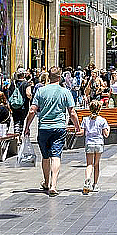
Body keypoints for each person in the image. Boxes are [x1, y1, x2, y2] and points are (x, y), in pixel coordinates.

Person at [23, 66, 79, 196]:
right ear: (60, 78)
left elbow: (32, 111)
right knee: (56, 155)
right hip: (59, 127)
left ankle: (46, 182)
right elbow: (72, 112)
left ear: (49, 77)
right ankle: (53, 185)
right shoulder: (65, 92)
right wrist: (77, 126)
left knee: (45, 156)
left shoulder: (41, 91)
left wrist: (27, 127)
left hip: (44, 128)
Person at [79, 100, 110, 194]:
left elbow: (82, 132)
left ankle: (88, 178)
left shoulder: (85, 119)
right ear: (100, 109)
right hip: (99, 143)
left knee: (89, 164)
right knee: (96, 164)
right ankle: (95, 184)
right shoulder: (102, 120)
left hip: (89, 143)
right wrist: (109, 129)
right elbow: (106, 134)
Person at [7, 69, 32, 134]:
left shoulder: (13, 83)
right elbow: (28, 94)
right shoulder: (26, 84)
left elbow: (9, 93)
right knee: (21, 120)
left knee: (15, 120)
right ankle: (19, 134)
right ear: (24, 75)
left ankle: (16, 133)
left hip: (14, 105)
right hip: (23, 106)